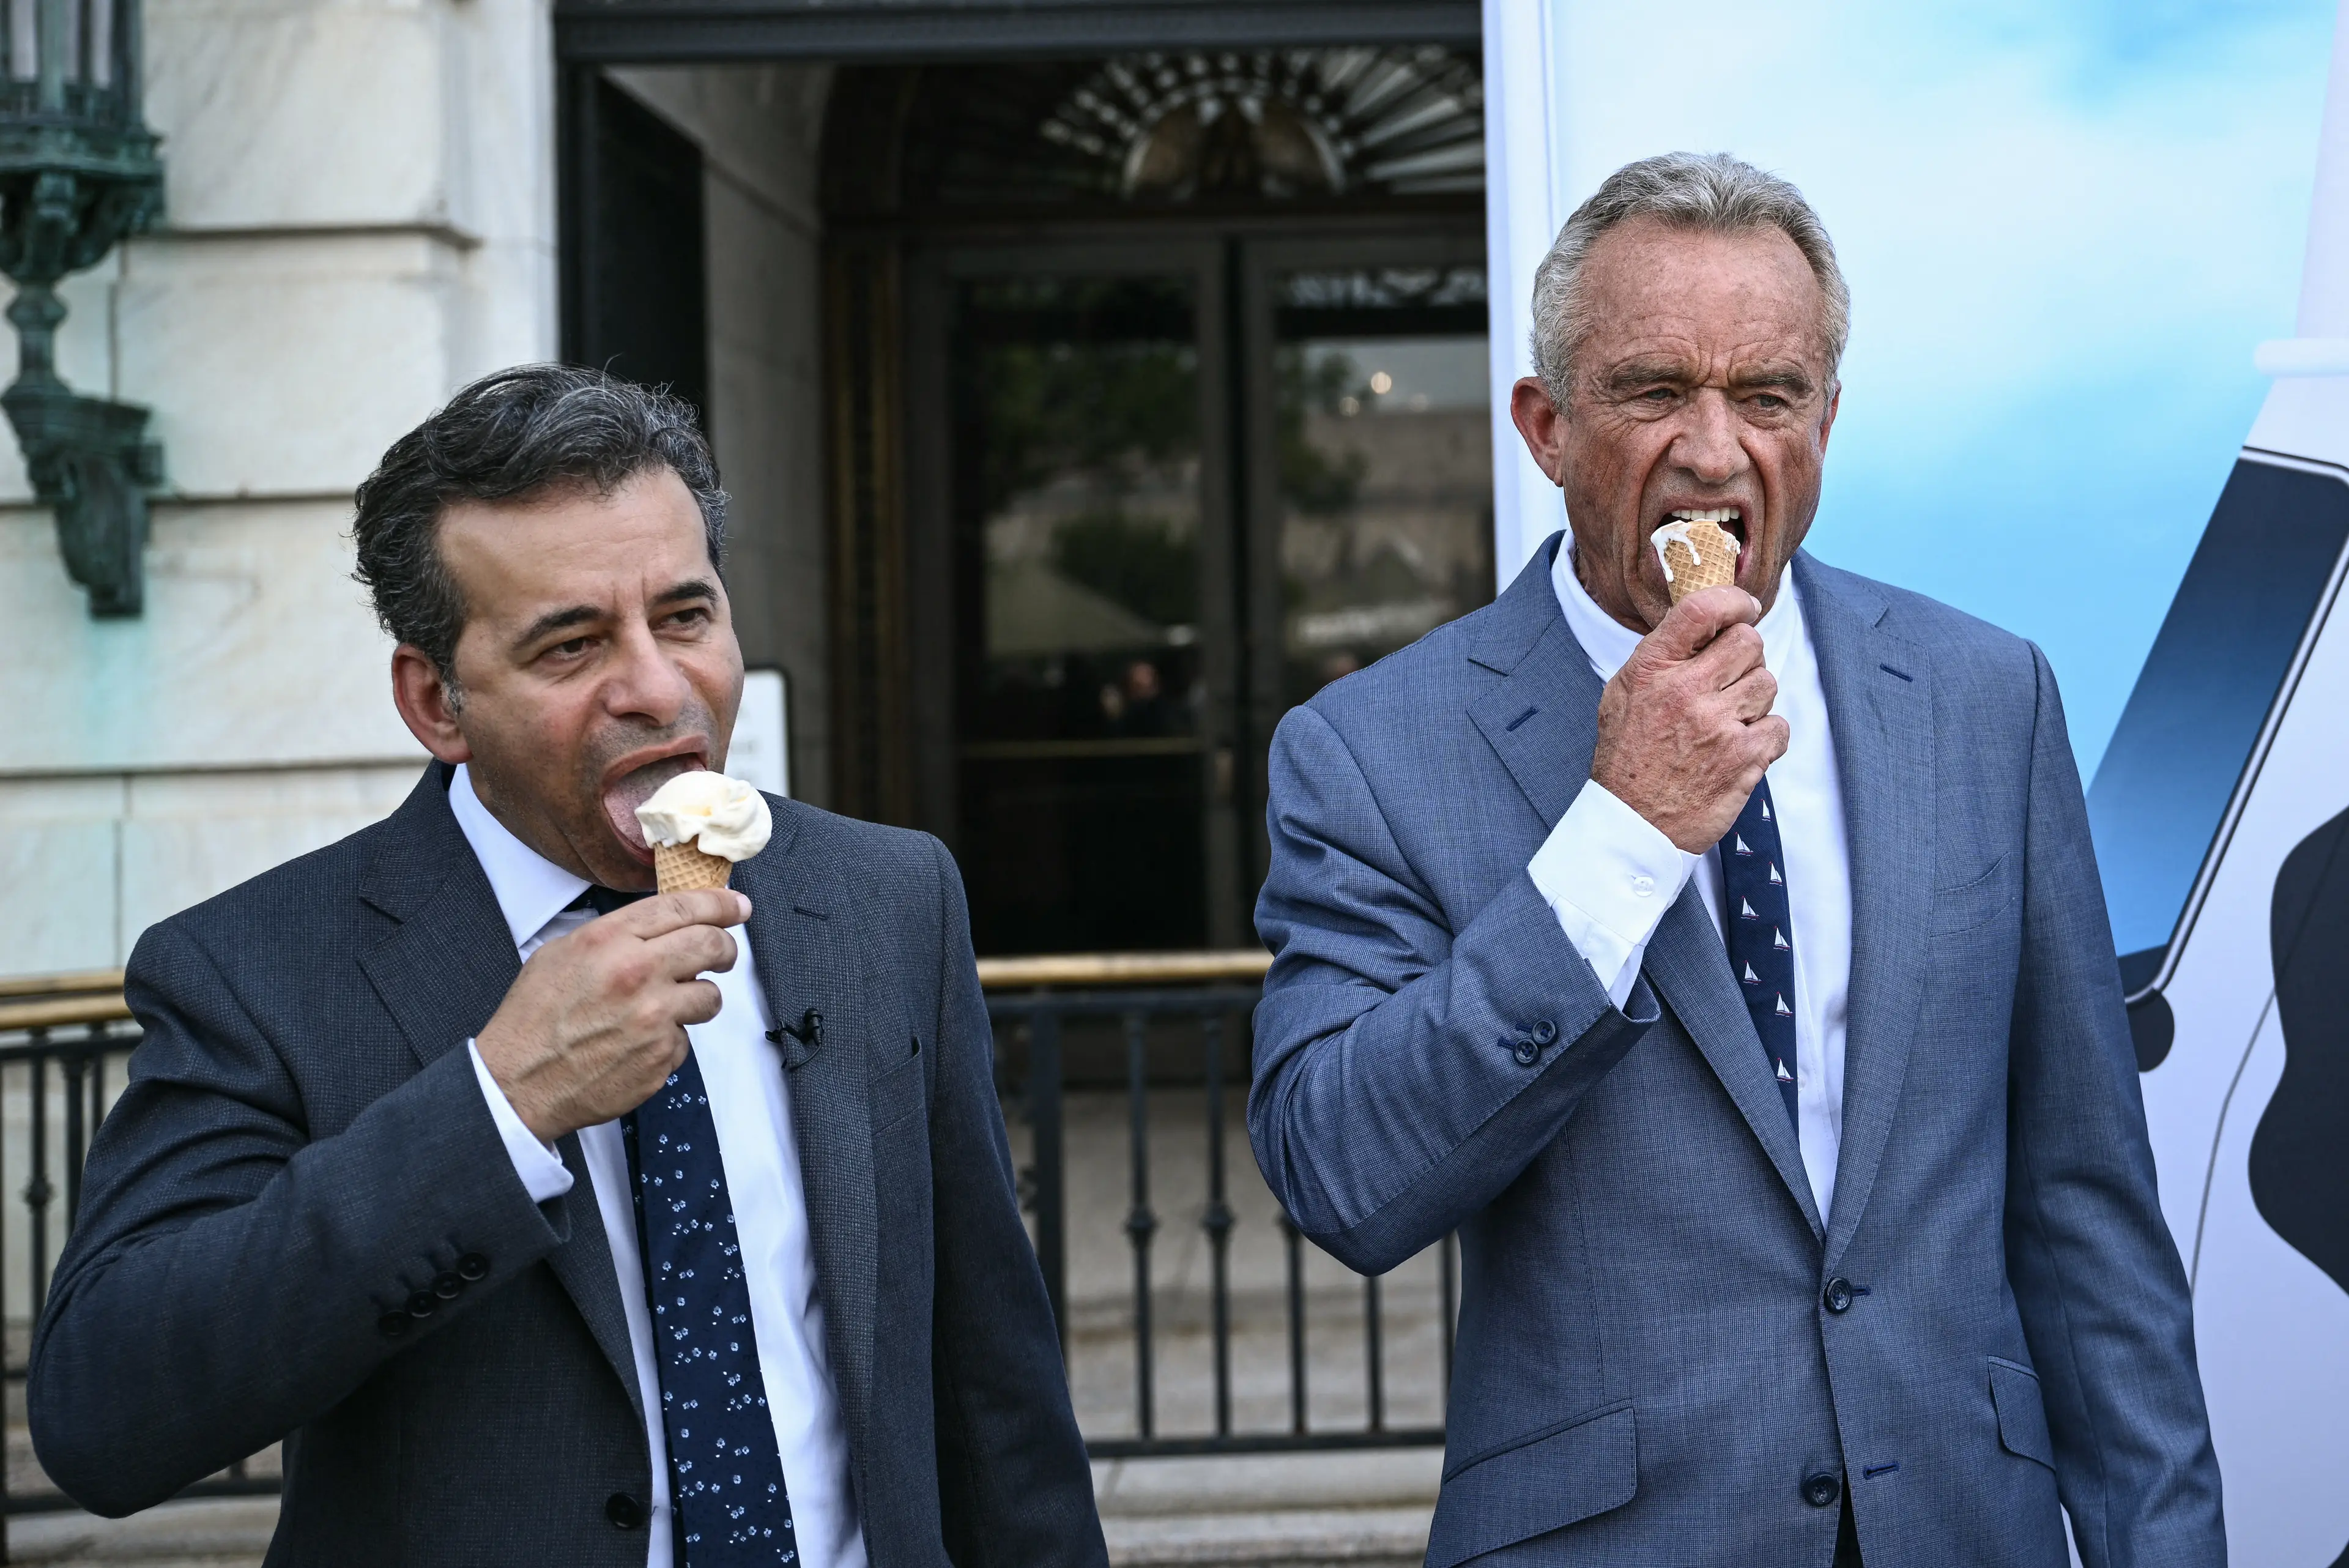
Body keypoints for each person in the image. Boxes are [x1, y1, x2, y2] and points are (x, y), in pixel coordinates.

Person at [1247, 154, 2224, 1567]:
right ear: (1546, 425)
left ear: (1827, 420)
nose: (1714, 451)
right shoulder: (1373, 750)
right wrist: (1621, 836)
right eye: (1654, 391)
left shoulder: (1982, 697)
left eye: (1767, 396)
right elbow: (1342, 1176)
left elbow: (2086, 1212)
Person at [29, 365, 1107, 1567]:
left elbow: (996, 1396)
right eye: (571, 645)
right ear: (436, 701)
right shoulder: (256, 970)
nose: (655, 687)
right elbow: (103, 1417)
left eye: (686, 617)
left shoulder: (887, 900)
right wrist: (499, 1105)